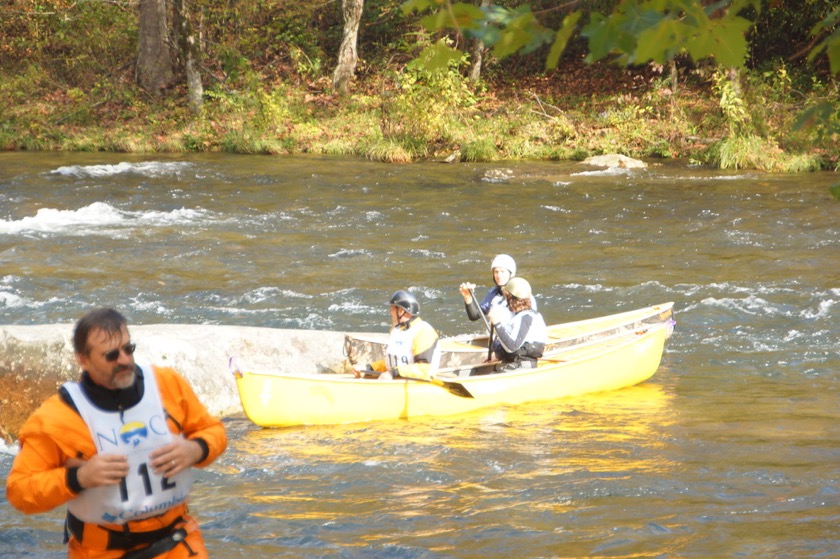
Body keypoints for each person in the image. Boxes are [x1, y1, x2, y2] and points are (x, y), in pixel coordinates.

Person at [6, 308, 227, 559]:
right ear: (84, 360)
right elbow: (20, 491)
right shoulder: (56, 418)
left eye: (128, 349)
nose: (124, 360)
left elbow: (213, 430)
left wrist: (196, 449)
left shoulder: (168, 384)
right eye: (111, 355)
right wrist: (79, 477)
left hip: (177, 543)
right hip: (100, 551)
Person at [356, 290, 441, 381]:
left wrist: (392, 373)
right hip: (399, 379)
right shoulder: (396, 330)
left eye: (392, 309)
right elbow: (393, 362)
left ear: (401, 311)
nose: (390, 312)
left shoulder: (423, 331)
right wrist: (368, 369)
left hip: (421, 384)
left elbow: (424, 369)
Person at [486, 277, 548, 372]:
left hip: (521, 366)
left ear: (511, 299)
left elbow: (512, 346)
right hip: (512, 364)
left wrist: (497, 323)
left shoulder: (526, 317)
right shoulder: (520, 316)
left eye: (507, 298)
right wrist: (498, 356)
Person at [458, 254, 536, 327]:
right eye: (496, 272)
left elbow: (528, 323)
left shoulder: (521, 292)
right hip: (500, 337)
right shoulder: (493, 294)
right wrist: (468, 298)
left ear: (511, 274)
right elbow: (474, 316)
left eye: (502, 271)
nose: (499, 276)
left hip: (518, 337)